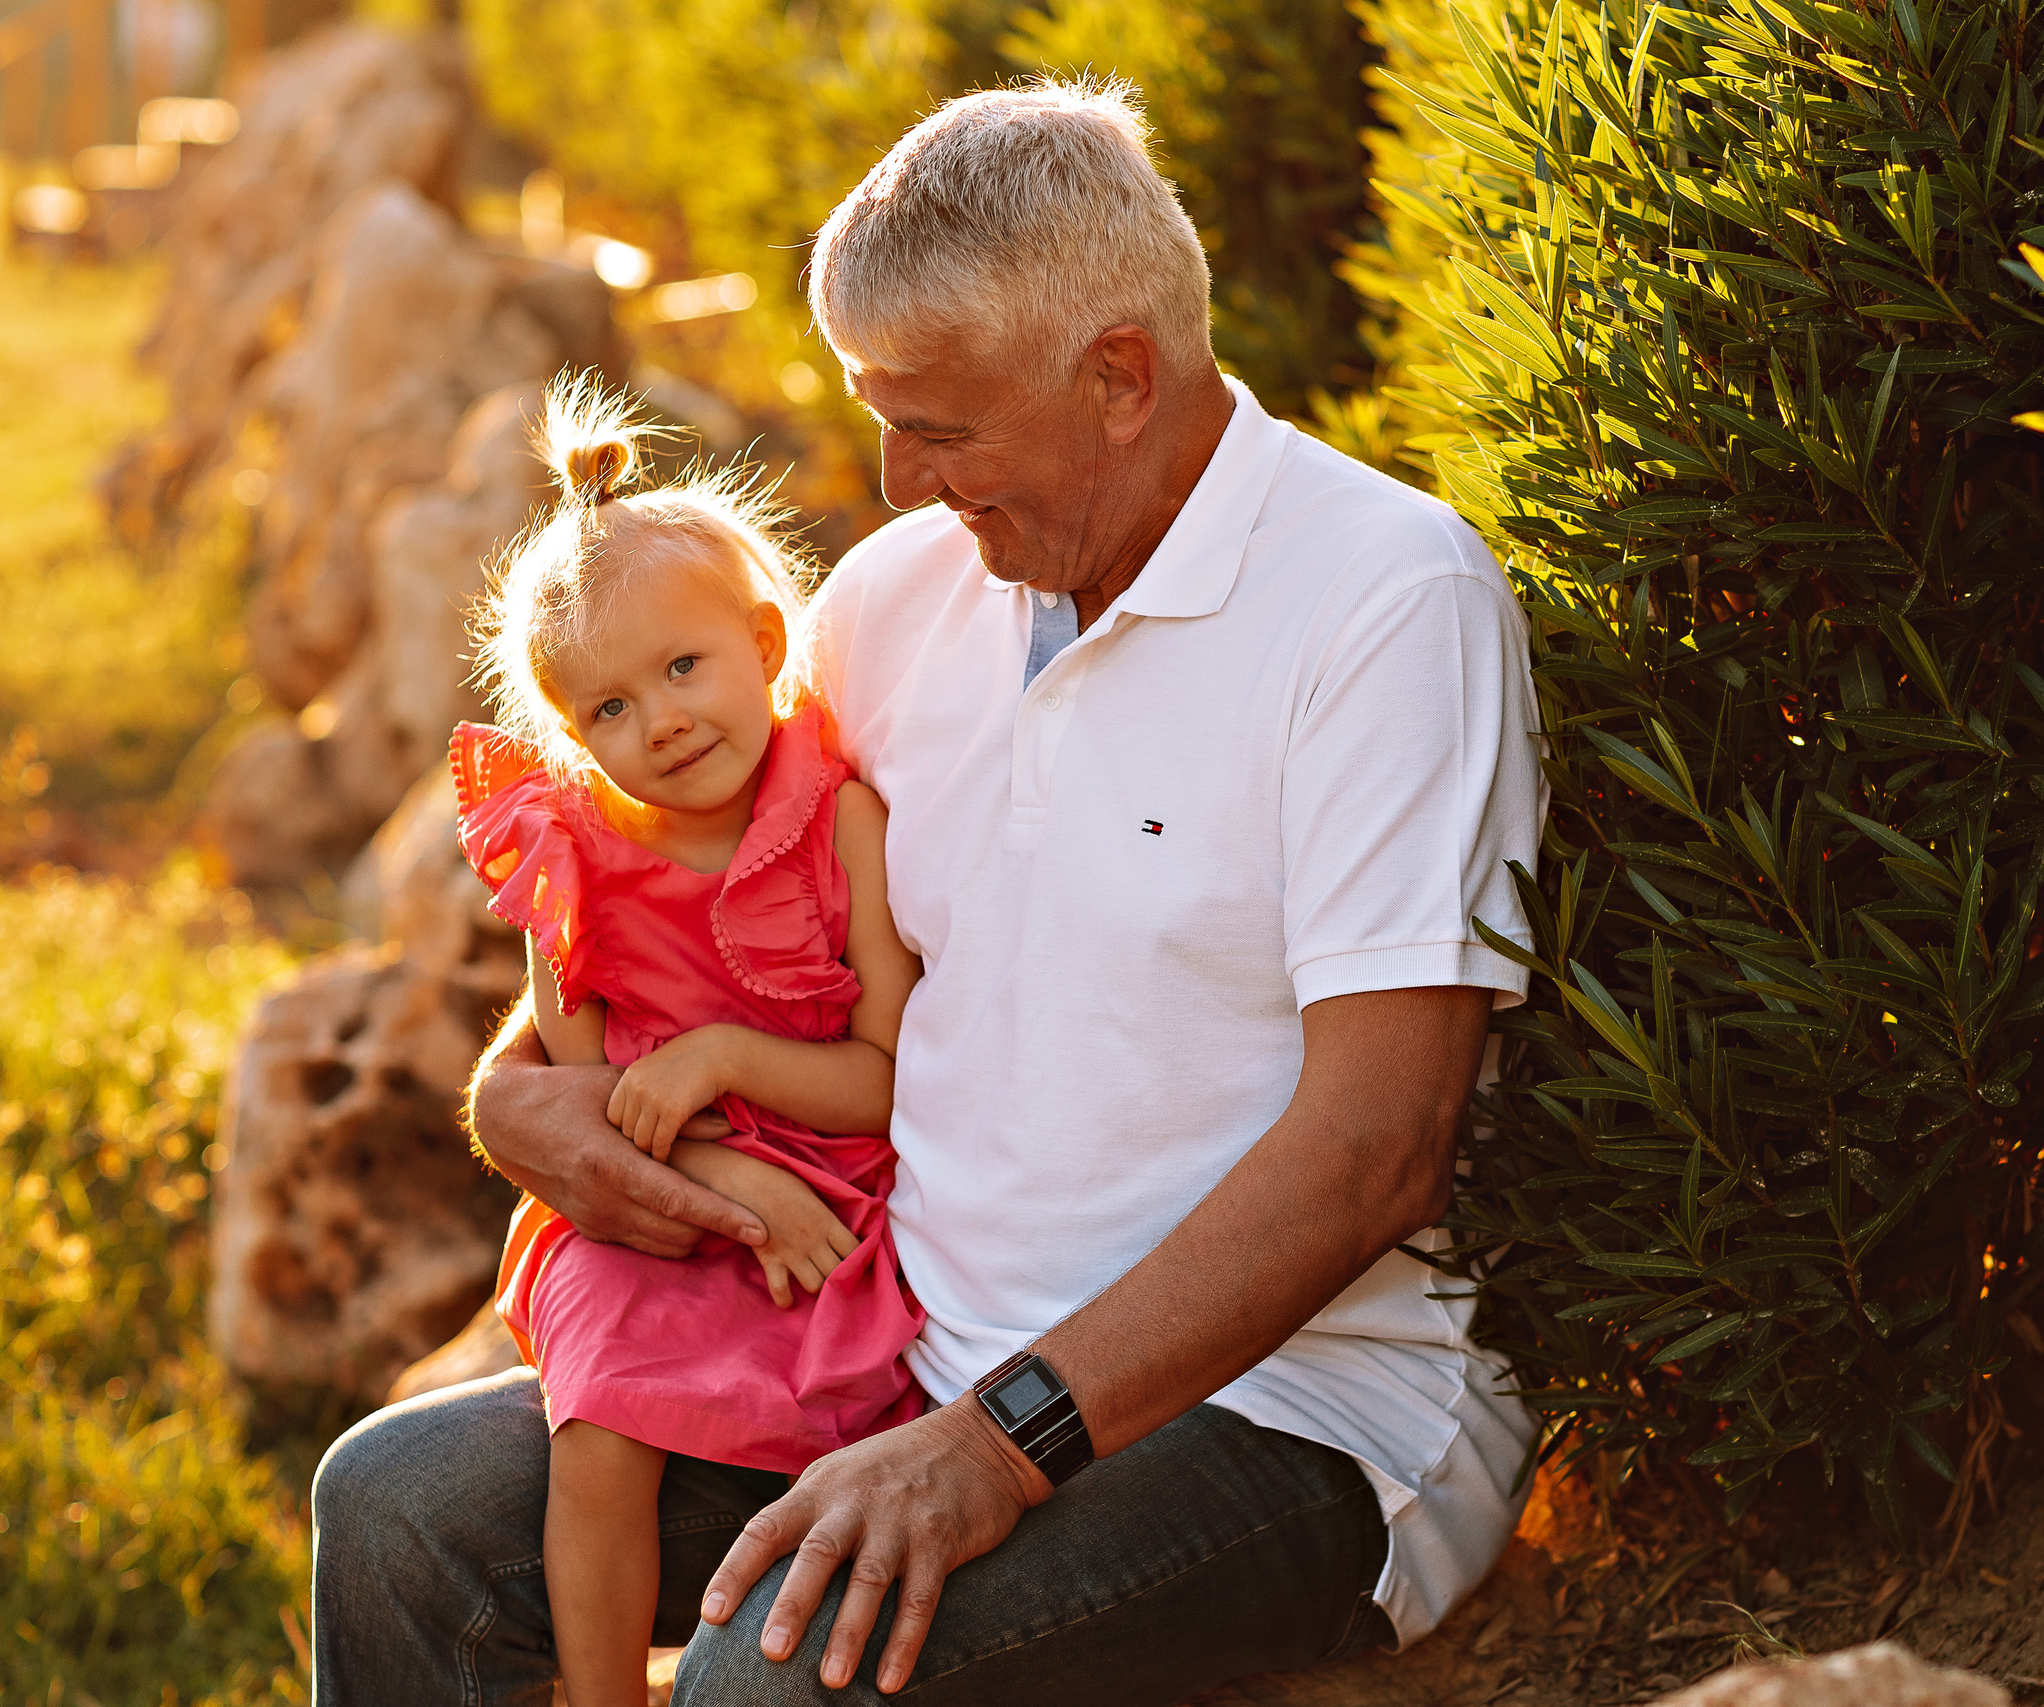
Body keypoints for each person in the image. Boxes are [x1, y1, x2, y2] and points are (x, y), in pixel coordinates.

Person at [308, 78, 1545, 1707]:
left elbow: (1379, 1146)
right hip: (899, 1341)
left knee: (766, 1681)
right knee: (392, 1513)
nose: (892, 480)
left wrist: (1004, 1439)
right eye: (877, 414)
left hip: (1289, 1415)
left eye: (940, 426)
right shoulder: (896, 600)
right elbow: (672, 915)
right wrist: (516, 1103)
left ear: (1120, 376)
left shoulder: (1389, 601)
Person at [449, 374, 926, 1707]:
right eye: (603, 710)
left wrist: (720, 1060)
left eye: (681, 668)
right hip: (650, 1198)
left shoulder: (841, 825)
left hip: (837, 1179)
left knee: (860, 1408)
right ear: (566, 733)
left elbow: (883, 1082)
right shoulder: (571, 855)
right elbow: (580, 1096)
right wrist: (728, 1181)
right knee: (603, 1431)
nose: (657, 721)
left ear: (767, 644)